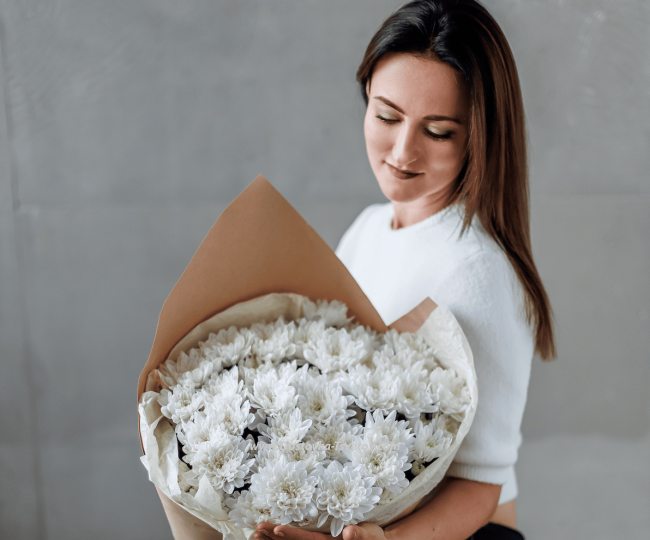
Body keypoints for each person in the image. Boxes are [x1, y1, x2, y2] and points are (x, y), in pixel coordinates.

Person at [255, 1, 555, 539]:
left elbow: (482, 485)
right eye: (387, 116)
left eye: (438, 132)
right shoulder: (368, 229)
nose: (400, 151)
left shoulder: (479, 272)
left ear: (479, 138)